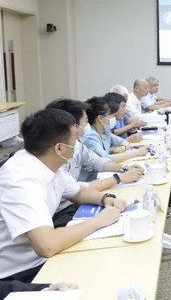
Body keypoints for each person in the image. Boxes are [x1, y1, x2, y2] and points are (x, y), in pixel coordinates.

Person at [0, 109, 125, 283]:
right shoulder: (20, 180)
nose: (79, 141)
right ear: (59, 148)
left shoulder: (45, 162)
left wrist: (105, 199)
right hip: (19, 274)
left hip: (41, 257)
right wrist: (100, 220)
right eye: (75, 138)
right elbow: (47, 245)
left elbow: (79, 192)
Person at [45, 99, 144, 227]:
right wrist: (119, 178)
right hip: (60, 213)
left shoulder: (77, 145)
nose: (88, 125)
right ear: (72, 126)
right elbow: (78, 189)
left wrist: (123, 168)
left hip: (75, 203)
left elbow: (97, 161)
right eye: (86, 121)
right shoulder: (55, 157)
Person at [82, 97, 148, 163]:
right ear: (100, 118)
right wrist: (137, 153)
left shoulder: (104, 131)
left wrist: (123, 147)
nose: (114, 118)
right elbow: (106, 159)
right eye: (111, 115)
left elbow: (124, 141)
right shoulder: (91, 137)